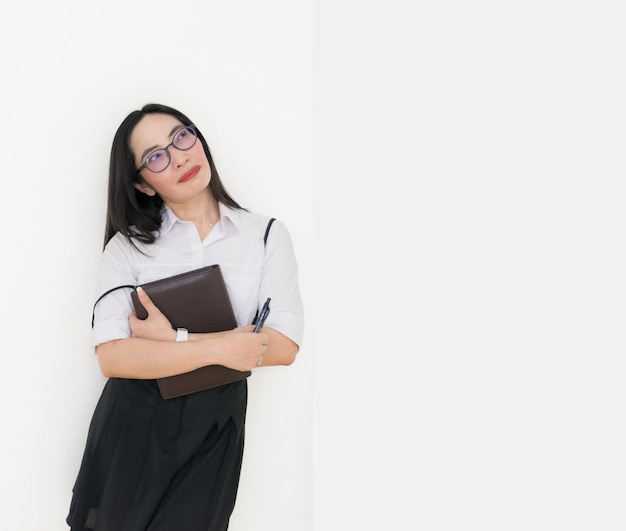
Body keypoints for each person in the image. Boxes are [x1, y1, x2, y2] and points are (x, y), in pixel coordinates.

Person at [66, 103, 304, 530]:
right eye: (156, 156)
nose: (178, 157)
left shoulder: (265, 235)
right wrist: (224, 345)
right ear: (143, 184)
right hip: (134, 422)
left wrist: (170, 339)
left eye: (182, 137)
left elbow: (284, 347)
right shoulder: (127, 247)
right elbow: (113, 357)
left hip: (215, 428)